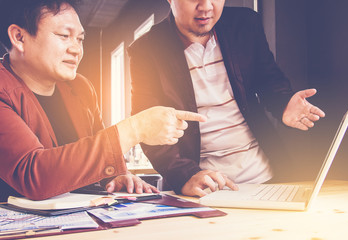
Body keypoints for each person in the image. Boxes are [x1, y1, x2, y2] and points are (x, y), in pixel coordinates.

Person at [0, 0, 206, 202]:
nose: (76, 50)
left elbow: (97, 156)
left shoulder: (80, 88)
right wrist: (135, 128)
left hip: (81, 220)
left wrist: (118, 176)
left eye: (80, 39)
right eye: (64, 36)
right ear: (19, 37)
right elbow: (33, 175)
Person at [128, 0, 325, 197]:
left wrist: (284, 103)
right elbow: (148, 130)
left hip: (266, 178)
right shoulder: (146, 50)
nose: (206, 6)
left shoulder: (245, 24)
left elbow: (270, 82)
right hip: (204, 189)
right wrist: (185, 176)